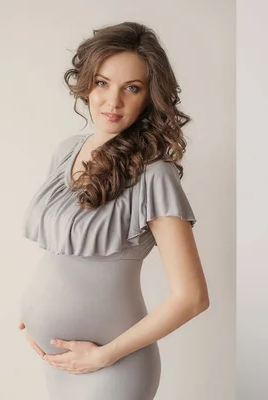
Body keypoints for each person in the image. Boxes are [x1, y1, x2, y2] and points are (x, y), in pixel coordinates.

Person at [17, 22, 209, 400]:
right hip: (59, 362)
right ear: (85, 82)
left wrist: (103, 357)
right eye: (102, 83)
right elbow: (62, 249)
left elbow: (192, 297)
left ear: (149, 96)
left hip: (114, 368)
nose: (113, 101)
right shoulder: (67, 151)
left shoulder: (155, 174)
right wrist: (36, 315)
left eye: (132, 88)